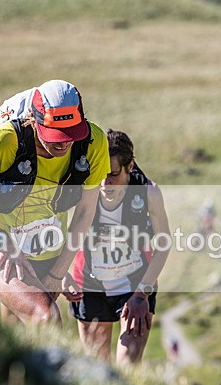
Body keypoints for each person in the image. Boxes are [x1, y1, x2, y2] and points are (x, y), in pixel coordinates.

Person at [0, 79, 110, 327]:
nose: (63, 143)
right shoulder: (3, 142)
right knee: (45, 316)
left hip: (44, 243)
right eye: (54, 136)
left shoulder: (93, 142)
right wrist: (2, 241)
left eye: (71, 134)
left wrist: (57, 273)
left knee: (18, 323)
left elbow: (85, 211)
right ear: (33, 119)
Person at [69, 130, 170, 365]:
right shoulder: (84, 187)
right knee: (97, 369)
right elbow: (65, 233)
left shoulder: (149, 192)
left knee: (128, 367)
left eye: (114, 174)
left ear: (130, 166)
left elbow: (163, 244)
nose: (105, 183)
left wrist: (141, 293)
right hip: (90, 284)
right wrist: (63, 274)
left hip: (134, 285)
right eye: (101, 173)